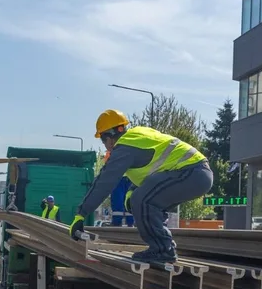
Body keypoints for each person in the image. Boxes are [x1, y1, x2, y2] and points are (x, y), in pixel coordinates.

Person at [69, 110, 213, 263]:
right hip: (195, 174)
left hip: (190, 173)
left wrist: (81, 214)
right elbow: (153, 169)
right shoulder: (138, 135)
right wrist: (132, 190)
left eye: (103, 141)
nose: (105, 146)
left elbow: (104, 182)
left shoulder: (124, 148)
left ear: (109, 137)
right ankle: (162, 246)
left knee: (142, 200)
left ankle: (163, 250)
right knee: (145, 200)